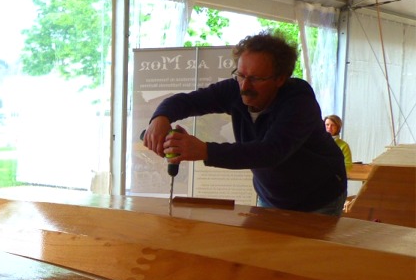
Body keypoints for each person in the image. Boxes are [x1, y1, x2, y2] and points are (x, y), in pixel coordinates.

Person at [143, 31, 347, 216]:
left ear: (280, 79)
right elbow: (188, 101)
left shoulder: (299, 102)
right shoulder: (235, 88)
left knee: (305, 257)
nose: (245, 86)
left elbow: (270, 152)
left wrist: (205, 150)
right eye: (240, 75)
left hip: (319, 199)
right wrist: (160, 117)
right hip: (270, 196)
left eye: (256, 78)